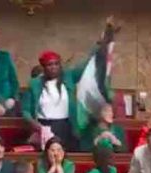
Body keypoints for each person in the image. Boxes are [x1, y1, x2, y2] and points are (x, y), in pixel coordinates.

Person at [23, 24, 114, 152]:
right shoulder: (34, 84)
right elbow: (26, 111)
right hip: (44, 127)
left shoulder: (68, 77)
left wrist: (99, 45)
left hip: (66, 126)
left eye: (56, 64)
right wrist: (36, 126)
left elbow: (85, 64)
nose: (54, 67)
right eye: (50, 65)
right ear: (44, 67)